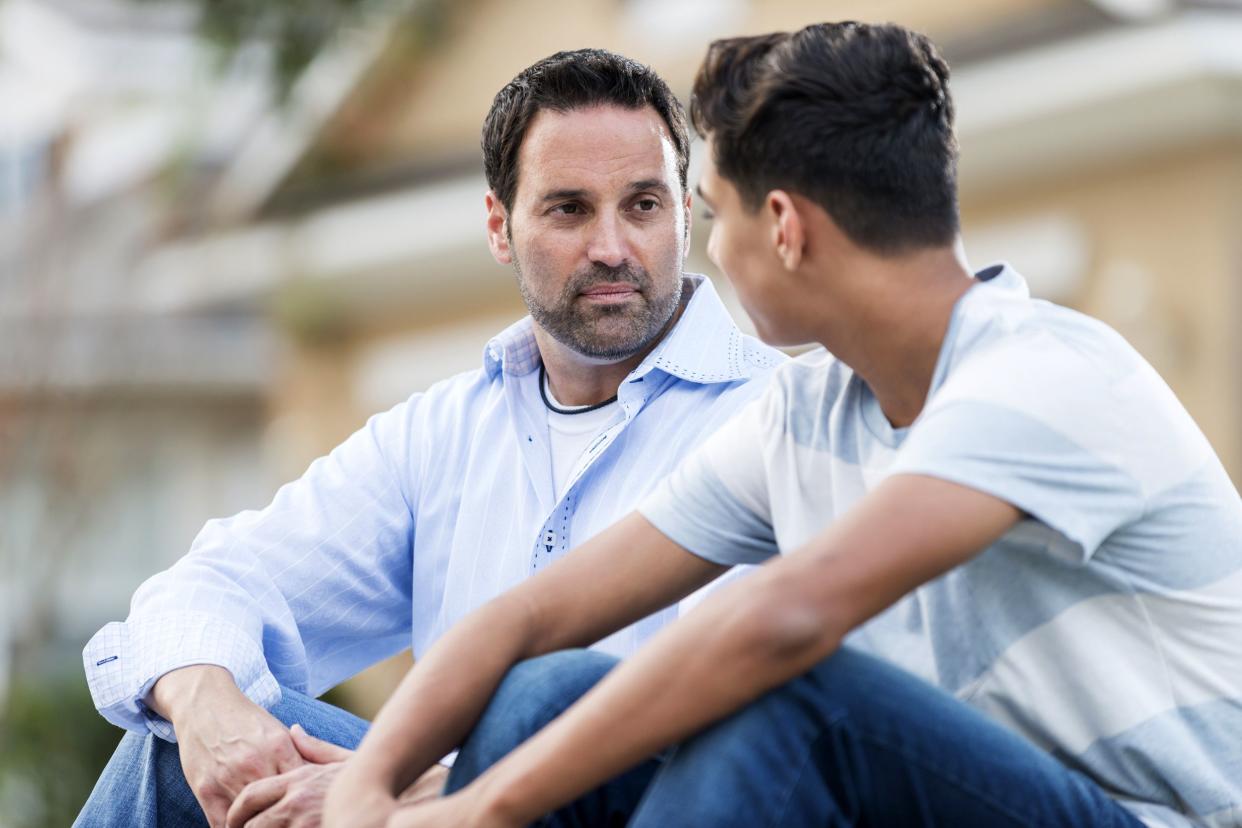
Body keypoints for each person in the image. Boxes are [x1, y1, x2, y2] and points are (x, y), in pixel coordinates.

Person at [321, 21, 1242, 828]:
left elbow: (787, 619)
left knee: (797, 693)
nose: (709, 253)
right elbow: (533, 615)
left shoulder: (1041, 377)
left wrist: (482, 807)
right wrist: (370, 788)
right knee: (544, 692)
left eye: (712, 214)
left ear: (786, 229)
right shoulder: (804, 417)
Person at [75, 48, 785, 828]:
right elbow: (213, 585)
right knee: (177, 745)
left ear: (685, 213)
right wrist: (206, 706)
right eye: (569, 209)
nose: (612, 247)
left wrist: (397, 789)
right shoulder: (441, 433)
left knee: (540, 701)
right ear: (499, 226)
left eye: (643, 205)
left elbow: (725, 708)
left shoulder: (769, 418)